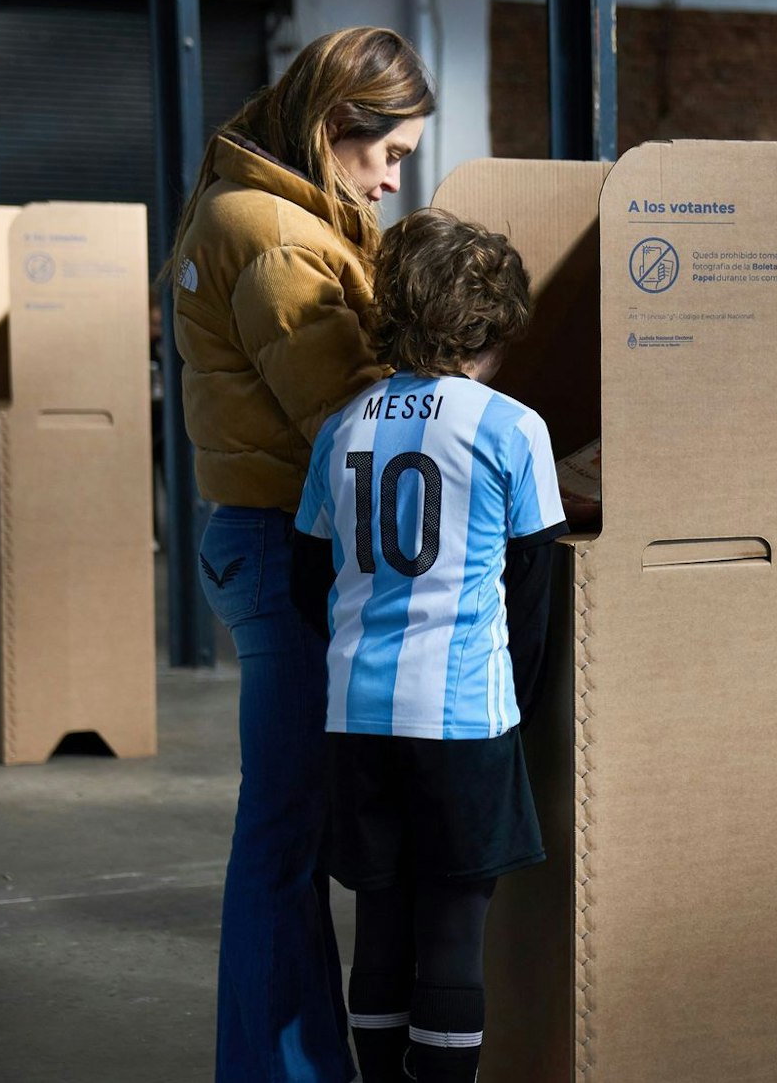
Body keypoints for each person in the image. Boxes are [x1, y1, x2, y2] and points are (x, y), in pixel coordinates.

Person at [168, 26, 434, 1082]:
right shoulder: (274, 236)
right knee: (284, 836)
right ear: (335, 128)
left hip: (266, 539)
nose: (392, 176)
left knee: (290, 828)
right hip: (283, 545)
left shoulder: (274, 211)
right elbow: (348, 413)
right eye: (389, 153)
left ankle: (288, 1060)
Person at [291, 209, 564, 1083]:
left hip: (355, 715)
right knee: (452, 932)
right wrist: (515, 708)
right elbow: (533, 593)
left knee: (380, 925)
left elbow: (309, 578)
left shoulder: (342, 424)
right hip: (461, 723)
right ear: (490, 322)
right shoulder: (513, 428)